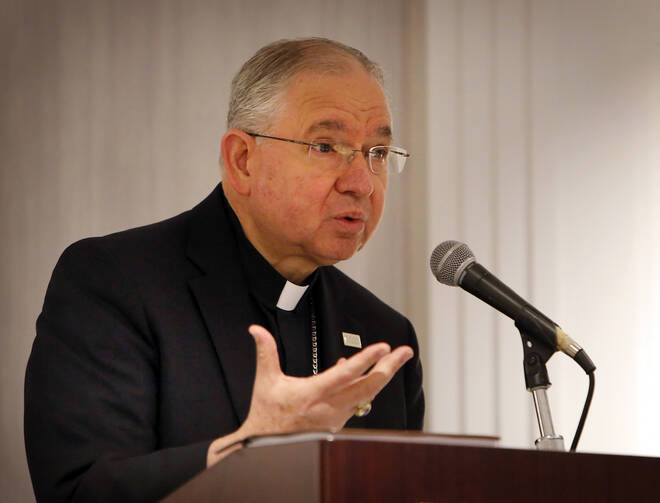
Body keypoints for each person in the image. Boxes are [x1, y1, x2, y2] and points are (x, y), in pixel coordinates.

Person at [24, 37, 424, 502]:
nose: (361, 184)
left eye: (378, 153)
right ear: (242, 160)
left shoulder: (385, 336)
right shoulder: (115, 283)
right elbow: (80, 493)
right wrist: (245, 453)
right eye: (325, 146)